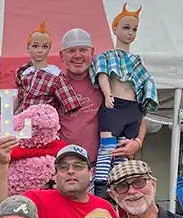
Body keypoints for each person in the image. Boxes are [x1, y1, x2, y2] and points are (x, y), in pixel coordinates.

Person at [57, 28, 144, 161]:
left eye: (83, 50)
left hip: (103, 165)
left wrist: (137, 142)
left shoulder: (107, 83)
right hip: (65, 165)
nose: (78, 56)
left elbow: (139, 113)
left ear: (92, 52)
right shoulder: (54, 85)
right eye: (71, 51)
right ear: (61, 56)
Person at [91, 4, 158, 145]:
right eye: (126, 28)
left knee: (123, 154)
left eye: (134, 29)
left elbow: (145, 83)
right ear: (115, 28)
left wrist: (142, 105)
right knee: (107, 149)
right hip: (115, 104)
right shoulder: (107, 56)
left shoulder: (137, 61)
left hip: (133, 108)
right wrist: (107, 93)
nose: (130, 33)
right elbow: (102, 73)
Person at [15, 22, 87, 116]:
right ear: (28, 48)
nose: (40, 50)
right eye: (35, 46)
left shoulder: (55, 77)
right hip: (24, 121)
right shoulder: (24, 73)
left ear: (49, 49)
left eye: (44, 46)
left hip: (45, 122)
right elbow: (20, 98)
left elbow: (71, 104)